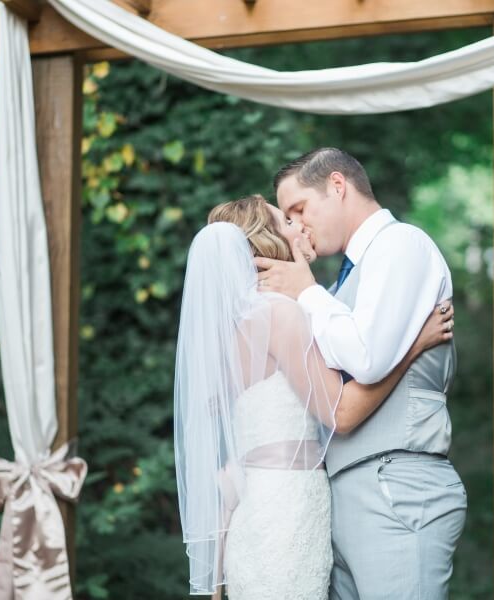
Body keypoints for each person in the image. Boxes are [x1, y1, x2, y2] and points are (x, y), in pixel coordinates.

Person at [174, 196, 454, 599]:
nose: (299, 226)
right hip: (287, 513)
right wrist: (413, 344)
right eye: (287, 220)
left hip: (254, 510)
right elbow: (339, 412)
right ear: (270, 240)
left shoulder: (231, 330)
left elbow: (228, 465)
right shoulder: (279, 315)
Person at [256, 148, 466, 600]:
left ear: (337, 186)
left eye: (299, 209)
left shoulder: (401, 245)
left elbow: (366, 358)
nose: (298, 225)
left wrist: (307, 291)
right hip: (344, 493)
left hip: (396, 485)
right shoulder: (337, 286)